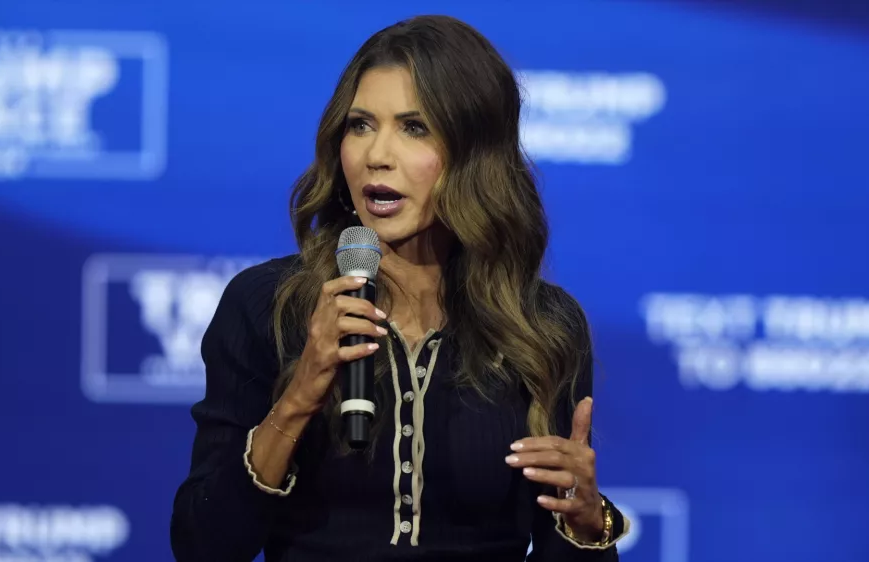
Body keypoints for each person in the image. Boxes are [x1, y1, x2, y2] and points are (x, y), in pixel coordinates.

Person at [170, 14, 630, 562]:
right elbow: (203, 546)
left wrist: (584, 525)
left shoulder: (540, 324)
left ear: (473, 151)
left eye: (414, 128)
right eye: (360, 125)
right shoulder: (269, 305)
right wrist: (298, 397)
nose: (375, 155)